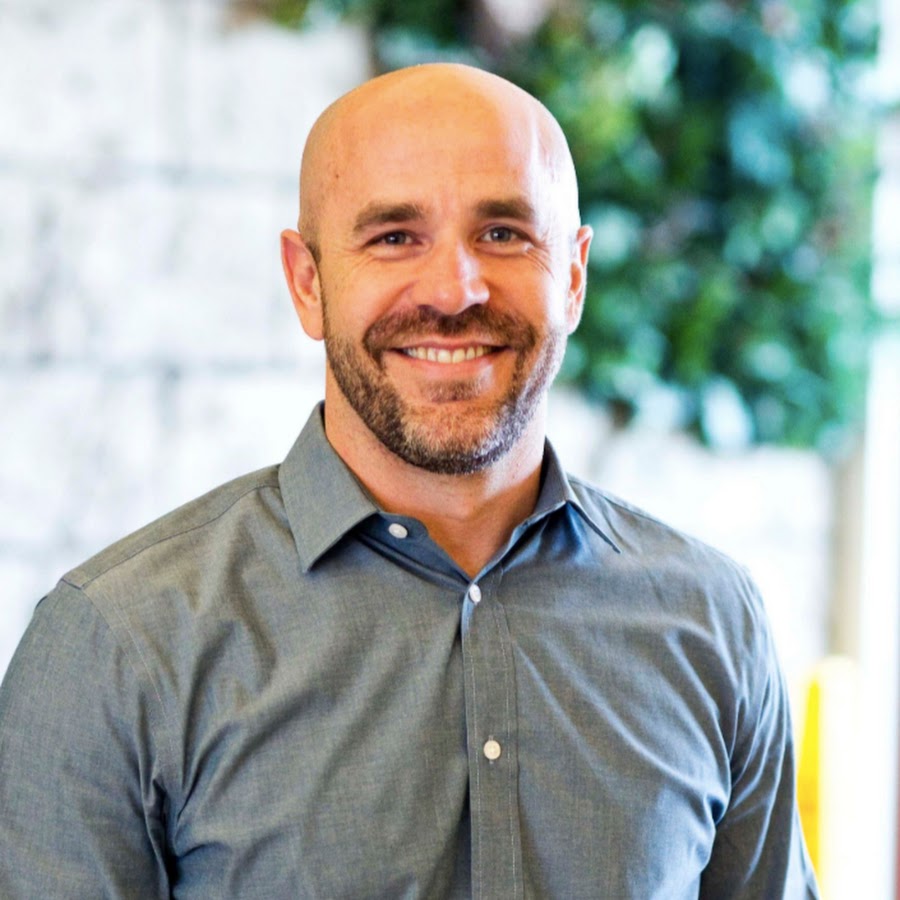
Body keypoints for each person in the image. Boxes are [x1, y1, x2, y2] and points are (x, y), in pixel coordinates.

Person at [0, 63, 818, 898]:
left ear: (572, 277)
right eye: (394, 237)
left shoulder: (712, 621)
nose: (454, 292)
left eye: (503, 232)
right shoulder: (119, 645)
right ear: (308, 282)